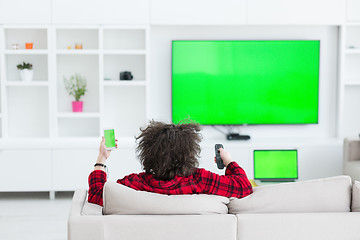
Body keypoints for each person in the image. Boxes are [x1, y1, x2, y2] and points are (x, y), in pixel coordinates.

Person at [88, 120, 253, 206]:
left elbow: (96, 195)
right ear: (189, 152)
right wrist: (229, 161)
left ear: (148, 153)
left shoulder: (135, 183)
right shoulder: (201, 180)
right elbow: (244, 187)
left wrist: (101, 158)